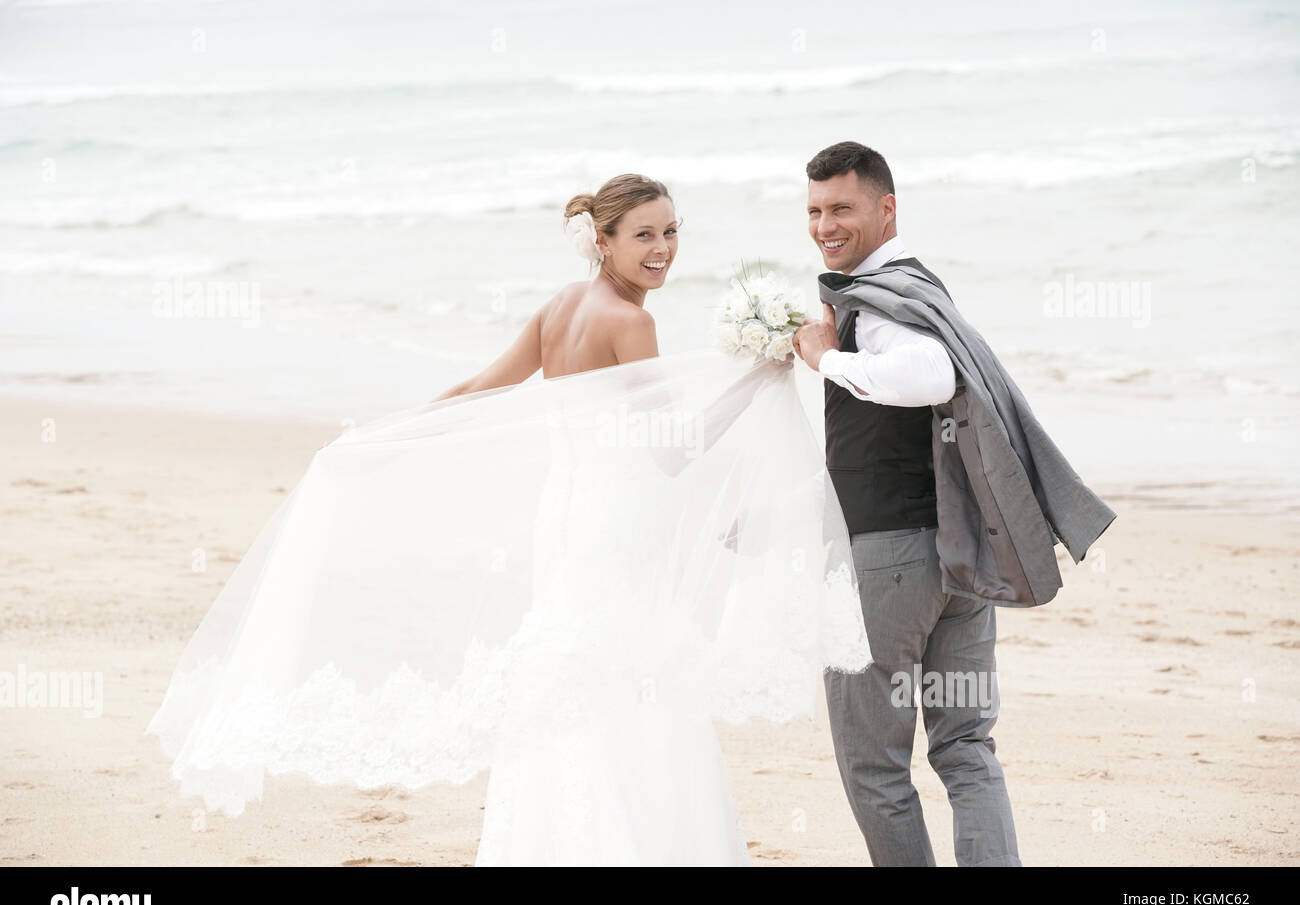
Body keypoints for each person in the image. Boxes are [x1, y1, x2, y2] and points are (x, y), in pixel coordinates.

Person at [146, 173, 872, 866]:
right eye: (644, 234)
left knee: (572, 669)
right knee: (629, 673)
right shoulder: (629, 321)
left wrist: (391, 436)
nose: (662, 249)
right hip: (619, 524)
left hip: (569, 518)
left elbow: (480, 387)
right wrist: (754, 381)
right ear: (604, 239)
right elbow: (671, 455)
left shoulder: (560, 306)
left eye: (673, 231)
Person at [794, 141, 1114, 866]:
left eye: (840, 208)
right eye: (813, 210)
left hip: (887, 564)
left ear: (886, 208)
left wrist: (827, 359)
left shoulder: (880, 303)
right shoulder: (923, 287)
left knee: (874, 764)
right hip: (958, 557)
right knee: (965, 746)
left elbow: (930, 374)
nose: (823, 225)